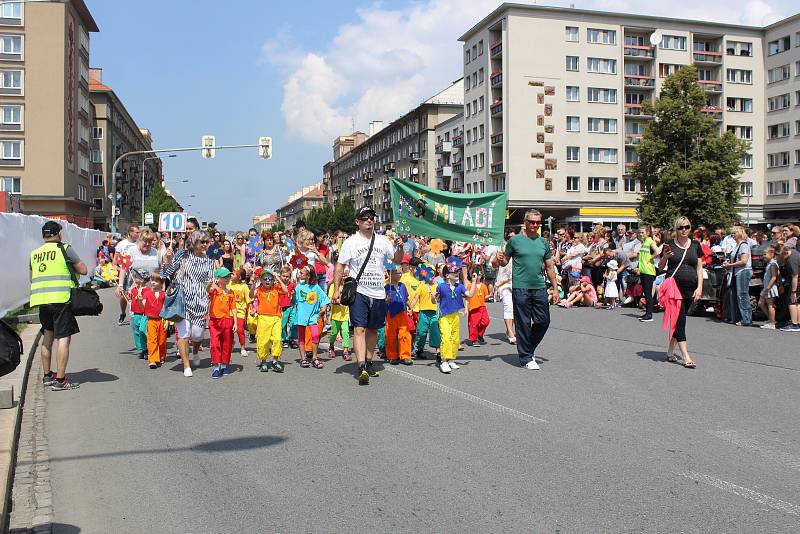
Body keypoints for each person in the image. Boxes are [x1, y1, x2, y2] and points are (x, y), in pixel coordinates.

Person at [333, 206, 404, 385]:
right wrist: (335, 290)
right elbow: (340, 266)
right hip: (359, 291)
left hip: (378, 291)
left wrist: (400, 248)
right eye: (365, 218)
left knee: (373, 329)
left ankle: (370, 360)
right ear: (357, 222)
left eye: (371, 217)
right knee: (359, 329)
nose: (369, 220)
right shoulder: (351, 242)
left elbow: (396, 260)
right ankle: (361, 366)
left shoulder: (382, 240)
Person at [493, 209, 559, 370]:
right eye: (532, 222)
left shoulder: (543, 242)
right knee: (523, 323)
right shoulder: (514, 241)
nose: (535, 225)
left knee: (543, 321)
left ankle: (528, 349)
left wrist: (555, 288)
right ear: (525, 222)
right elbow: (503, 262)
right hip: (520, 287)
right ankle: (526, 358)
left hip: (539, 286)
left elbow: (550, 267)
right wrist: (499, 259)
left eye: (538, 222)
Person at [29, 220, 87, 391]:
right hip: (61, 298)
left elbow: (31, 278)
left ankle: (47, 376)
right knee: (63, 338)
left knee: (47, 336)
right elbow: (83, 269)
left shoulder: (34, 253)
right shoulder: (64, 249)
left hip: (41, 300)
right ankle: (60, 380)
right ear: (58, 233)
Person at [160, 230, 216, 377]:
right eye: (202, 242)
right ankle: (186, 365)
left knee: (197, 335)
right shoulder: (183, 255)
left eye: (206, 242)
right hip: (182, 300)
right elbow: (166, 273)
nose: (205, 245)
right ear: (194, 242)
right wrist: (167, 259)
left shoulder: (209, 261)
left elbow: (211, 283)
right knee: (184, 333)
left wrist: (210, 287)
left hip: (200, 302)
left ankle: (195, 351)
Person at [658, 216, 703, 368]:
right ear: (676, 229)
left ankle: (671, 351)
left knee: (679, 321)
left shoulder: (696, 245)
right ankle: (686, 356)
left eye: (687, 227)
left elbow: (699, 267)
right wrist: (664, 257)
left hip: (690, 288)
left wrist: (700, 287)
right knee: (680, 321)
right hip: (673, 288)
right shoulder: (669, 245)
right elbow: (660, 267)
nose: (684, 230)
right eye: (681, 227)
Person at [435, 266, 476, 373]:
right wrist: (433, 297)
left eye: (457, 272)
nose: (456, 274)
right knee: (446, 338)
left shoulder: (460, 286)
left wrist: (474, 281)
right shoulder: (441, 286)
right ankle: (444, 361)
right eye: (453, 272)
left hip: (455, 315)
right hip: (444, 316)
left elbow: (470, 294)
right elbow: (435, 300)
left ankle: (451, 359)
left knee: (455, 339)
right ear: (447, 275)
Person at [252, 269, 288, 372]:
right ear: (261, 280)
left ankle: (275, 361)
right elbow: (251, 295)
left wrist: (279, 279)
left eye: (270, 278)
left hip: (276, 317)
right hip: (263, 318)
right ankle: (263, 362)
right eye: (265, 278)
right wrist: (254, 282)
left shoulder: (276, 289)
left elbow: (285, 291)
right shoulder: (258, 290)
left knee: (277, 339)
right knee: (263, 341)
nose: (268, 280)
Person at [295, 266, 330, 369]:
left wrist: (323, 309)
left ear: (308, 275)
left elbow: (324, 299)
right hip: (301, 316)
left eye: (302, 273)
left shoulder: (316, 287)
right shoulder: (299, 286)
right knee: (301, 337)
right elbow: (294, 297)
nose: (300, 274)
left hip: (312, 316)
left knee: (315, 335)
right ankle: (303, 358)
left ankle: (314, 358)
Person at [206, 267, 237, 379]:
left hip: (227, 320)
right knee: (215, 344)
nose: (227, 279)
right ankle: (216, 366)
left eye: (228, 276)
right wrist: (210, 285)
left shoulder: (231, 292)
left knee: (227, 344)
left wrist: (235, 322)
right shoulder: (214, 290)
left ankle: (224, 364)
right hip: (215, 321)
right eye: (224, 277)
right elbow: (208, 290)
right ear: (218, 279)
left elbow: (233, 308)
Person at [408, 264, 441, 359]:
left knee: (435, 332)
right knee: (421, 332)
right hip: (423, 313)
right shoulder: (421, 286)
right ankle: (419, 349)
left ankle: (438, 351)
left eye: (432, 273)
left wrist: (435, 296)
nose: (431, 276)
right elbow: (415, 298)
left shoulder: (437, 286)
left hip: (434, 313)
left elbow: (439, 299)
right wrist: (411, 308)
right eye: (429, 273)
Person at [723, 225, 753, 326]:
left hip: (743, 271)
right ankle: (738, 317)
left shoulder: (743, 245)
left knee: (742, 295)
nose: (732, 235)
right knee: (736, 295)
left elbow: (743, 261)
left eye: (734, 233)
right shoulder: (737, 245)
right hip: (737, 272)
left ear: (740, 233)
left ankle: (746, 319)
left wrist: (729, 265)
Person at [137, 272, 167, 369]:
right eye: (152, 280)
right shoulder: (147, 293)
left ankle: (161, 355)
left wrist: (167, 320)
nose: (153, 283)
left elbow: (167, 308)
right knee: (152, 339)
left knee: (161, 340)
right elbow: (143, 308)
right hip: (151, 320)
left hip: (162, 319)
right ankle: (152, 359)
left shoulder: (164, 294)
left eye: (156, 281)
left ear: (161, 282)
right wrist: (140, 300)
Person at [384, 267, 413, 365]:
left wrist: (410, 308)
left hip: (402, 313)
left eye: (400, 273)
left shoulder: (403, 286)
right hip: (391, 314)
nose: (400, 275)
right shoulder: (386, 287)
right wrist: (387, 299)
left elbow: (406, 298)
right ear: (390, 274)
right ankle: (392, 356)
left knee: (404, 334)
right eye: (397, 273)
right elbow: (384, 303)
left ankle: (405, 355)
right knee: (391, 335)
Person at [114, 224, 140, 325]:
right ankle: (123, 312)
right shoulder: (121, 244)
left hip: (134, 273)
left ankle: (134, 314)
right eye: (136, 232)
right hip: (123, 272)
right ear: (130, 232)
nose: (138, 234)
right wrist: (117, 268)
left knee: (134, 294)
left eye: (138, 232)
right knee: (123, 296)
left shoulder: (139, 244)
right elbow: (115, 260)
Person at [327, 271, 352, 361]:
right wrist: (335, 301)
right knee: (334, 333)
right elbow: (330, 299)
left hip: (345, 314)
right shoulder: (333, 286)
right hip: (335, 315)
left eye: (346, 276)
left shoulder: (348, 286)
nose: (345, 278)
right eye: (343, 276)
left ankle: (345, 350)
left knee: (345, 332)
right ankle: (331, 346)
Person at [637, 226, 660, 322]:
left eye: (642, 232)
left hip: (649, 271)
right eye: (640, 232)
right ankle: (647, 312)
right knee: (646, 293)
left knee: (648, 293)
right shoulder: (644, 242)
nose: (641, 234)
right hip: (644, 270)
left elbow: (658, 251)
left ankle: (649, 314)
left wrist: (650, 258)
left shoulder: (650, 241)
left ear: (647, 233)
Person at [228, 268, 251, 357]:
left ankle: (243, 347)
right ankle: (231, 343)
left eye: (233, 274)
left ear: (239, 277)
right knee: (229, 330)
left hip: (240, 312)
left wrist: (251, 310)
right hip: (229, 311)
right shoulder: (229, 284)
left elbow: (248, 300)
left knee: (240, 330)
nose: (231, 276)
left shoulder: (244, 286)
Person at [494, 254, 515, 344]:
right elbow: (494, 264)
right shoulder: (502, 250)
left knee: (514, 309)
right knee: (508, 306)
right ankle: (511, 333)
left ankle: (509, 330)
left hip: (516, 283)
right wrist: (496, 257)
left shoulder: (520, 250)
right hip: (503, 284)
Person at [465, 268, 490, 346]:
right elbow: (467, 298)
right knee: (474, 324)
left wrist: (490, 296)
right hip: (473, 307)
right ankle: (474, 339)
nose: (478, 276)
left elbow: (485, 297)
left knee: (486, 321)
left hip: (482, 307)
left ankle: (479, 334)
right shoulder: (470, 286)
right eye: (476, 275)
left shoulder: (483, 286)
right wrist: (466, 308)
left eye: (479, 274)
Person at [127, 269, 149, 359]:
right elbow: (130, 298)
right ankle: (142, 348)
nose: (135, 278)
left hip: (143, 313)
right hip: (135, 313)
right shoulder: (134, 289)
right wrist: (125, 294)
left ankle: (147, 348)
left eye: (137, 277)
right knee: (136, 330)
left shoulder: (147, 290)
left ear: (143, 280)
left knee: (142, 330)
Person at [758, 245, 780, 330]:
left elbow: (774, 276)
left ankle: (772, 323)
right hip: (766, 287)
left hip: (769, 287)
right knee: (761, 303)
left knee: (770, 305)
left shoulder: (773, 264)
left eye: (765, 254)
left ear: (771, 254)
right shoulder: (770, 264)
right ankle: (771, 320)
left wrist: (768, 287)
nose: (764, 256)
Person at [780, 245, 800, 331]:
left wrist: (793, 291)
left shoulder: (791, 260)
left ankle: (794, 324)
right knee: (797, 302)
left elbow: (795, 276)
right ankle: (798, 323)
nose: (782, 258)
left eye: (782, 256)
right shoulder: (795, 252)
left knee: (791, 300)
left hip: (797, 281)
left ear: (786, 252)